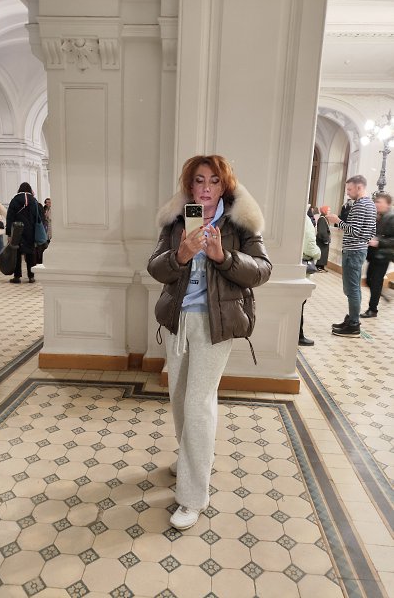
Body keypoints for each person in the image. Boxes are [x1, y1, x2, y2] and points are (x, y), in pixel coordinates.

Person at [147, 155, 272, 530]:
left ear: (224, 185)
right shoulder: (176, 219)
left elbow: (262, 270)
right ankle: (190, 458)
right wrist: (181, 255)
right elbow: (155, 266)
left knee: (198, 403)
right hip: (178, 320)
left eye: (214, 181)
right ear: (189, 185)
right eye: (199, 180)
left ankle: (192, 496)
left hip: (216, 323)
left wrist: (222, 256)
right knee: (178, 396)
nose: (205, 188)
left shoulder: (240, 222)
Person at [327, 175, 377, 337]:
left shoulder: (360, 205)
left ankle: (354, 324)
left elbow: (354, 231)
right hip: (359, 250)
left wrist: (337, 220)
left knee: (352, 289)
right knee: (353, 288)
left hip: (353, 251)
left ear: (359, 187)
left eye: (349, 189)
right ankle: (352, 319)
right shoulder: (371, 204)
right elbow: (371, 232)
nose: (347, 193)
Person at [361, 192, 394, 318]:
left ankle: (372, 309)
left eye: (379, 202)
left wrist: (379, 242)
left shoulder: (391, 217)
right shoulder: (379, 216)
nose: (376, 204)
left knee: (375, 282)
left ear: (387, 204)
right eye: (376, 202)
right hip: (374, 255)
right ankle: (380, 294)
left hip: (383, 256)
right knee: (369, 280)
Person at [6, 182, 39, 283]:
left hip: (17, 230)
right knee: (30, 253)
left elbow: (9, 217)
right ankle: (31, 276)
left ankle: (17, 276)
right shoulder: (33, 200)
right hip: (30, 230)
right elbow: (37, 217)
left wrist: (9, 233)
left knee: (16, 252)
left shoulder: (15, 200)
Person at [299, 214, 321, 346]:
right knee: (300, 301)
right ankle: (298, 335)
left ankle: (296, 334)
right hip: (301, 266)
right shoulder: (306, 220)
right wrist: (318, 253)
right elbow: (310, 247)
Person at [316, 205, 331, 271]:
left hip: (323, 240)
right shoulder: (322, 219)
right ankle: (319, 266)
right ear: (324, 211)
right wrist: (325, 239)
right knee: (322, 253)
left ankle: (321, 266)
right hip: (322, 241)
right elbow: (322, 231)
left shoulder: (324, 218)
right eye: (328, 210)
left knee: (324, 254)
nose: (329, 211)